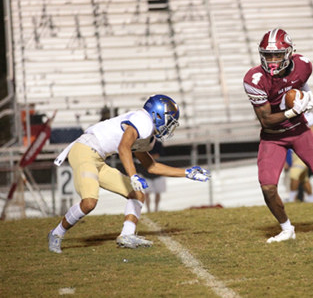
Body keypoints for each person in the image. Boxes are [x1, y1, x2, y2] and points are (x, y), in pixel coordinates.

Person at [48, 94, 211, 253]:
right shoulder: (143, 121)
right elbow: (123, 147)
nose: (169, 126)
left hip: (98, 159)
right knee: (89, 202)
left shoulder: (147, 135)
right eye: (169, 121)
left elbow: (151, 166)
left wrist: (187, 172)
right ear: (157, 114)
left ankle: (127, 235)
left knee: (138, 194)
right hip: (84, 150)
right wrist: (133, 176)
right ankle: (56, 233)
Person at [243, 28, 313, 243]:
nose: (273, 60)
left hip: (299, 131)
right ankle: (287, 229)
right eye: (268, 55)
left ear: (289, 53)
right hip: (273, 136)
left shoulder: (303, 64)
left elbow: (300, 85)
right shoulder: (255, 79)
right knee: (268, 188)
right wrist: (293, 111)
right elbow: (266, 120)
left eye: (277, 54)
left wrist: (307, 96)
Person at [138, 141, 166, 212]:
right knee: (147, 193)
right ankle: (149, 209)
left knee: (158, 192)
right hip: (146, 173)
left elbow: (160, 155)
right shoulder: (143, 144)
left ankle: (156, 208)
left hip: (157, 173)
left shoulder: (158, 144)